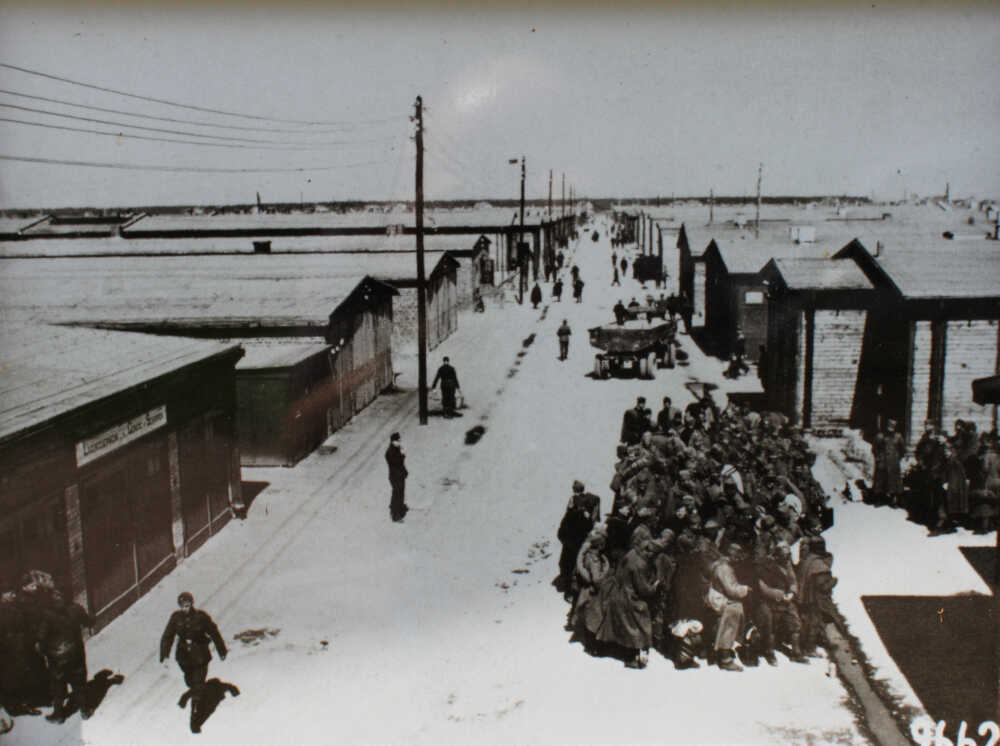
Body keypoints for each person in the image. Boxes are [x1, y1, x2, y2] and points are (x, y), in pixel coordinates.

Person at [160, 592, 227, 734]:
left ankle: (194, 721)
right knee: (191, 683)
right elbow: (168, 636)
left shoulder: (201, 617)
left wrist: (221, 650)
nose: (186, 608)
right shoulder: (176, 618)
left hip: (200, 656)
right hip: (184, 657)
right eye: (183, 606)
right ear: (179, 606)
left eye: (188, 605)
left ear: (192, 604)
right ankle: (193, 694)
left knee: (198, 685)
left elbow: (213, 632)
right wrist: (165, 655)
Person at [706, 542, 749, 671]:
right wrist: (745, 589)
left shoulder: (725, 565)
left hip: (717, 596)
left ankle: (728, 647)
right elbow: (731, 590)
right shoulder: (724, 568)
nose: (738, 556)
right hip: (718, 599)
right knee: (734, 610)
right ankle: (725, 656)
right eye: (735, 553)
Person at [556, 481, 601, 599]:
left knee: (566, 565)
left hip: (572, 544)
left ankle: (569, 591)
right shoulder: (593, 500)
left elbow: (561, 532)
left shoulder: (571, 514)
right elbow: (593, 522)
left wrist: (565, 540)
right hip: (584, 540)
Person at [872, 419, 905, 506]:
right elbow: (875, 449)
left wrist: (897, 458)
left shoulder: (898, 436)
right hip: (882, 462)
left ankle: (893, 501)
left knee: (893, 482)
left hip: (893, 462)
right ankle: (879, 500)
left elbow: (902, 450)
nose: (890, 429)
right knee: (880, 481)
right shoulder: (880, 436)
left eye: (892, 427)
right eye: (889, 427)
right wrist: (878, 459)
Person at [385, 432, 409, 522]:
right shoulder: (390, 452)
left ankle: (400, 508)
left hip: (400, 475)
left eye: (399, 440)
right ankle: (396, 514)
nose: (399, 442)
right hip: (395, 476)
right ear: (393, 441)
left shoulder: (396, 448)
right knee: (397, 494)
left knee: (400, 493)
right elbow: (396, 463)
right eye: (398, 440)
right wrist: (402, 455)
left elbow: (401, 463)